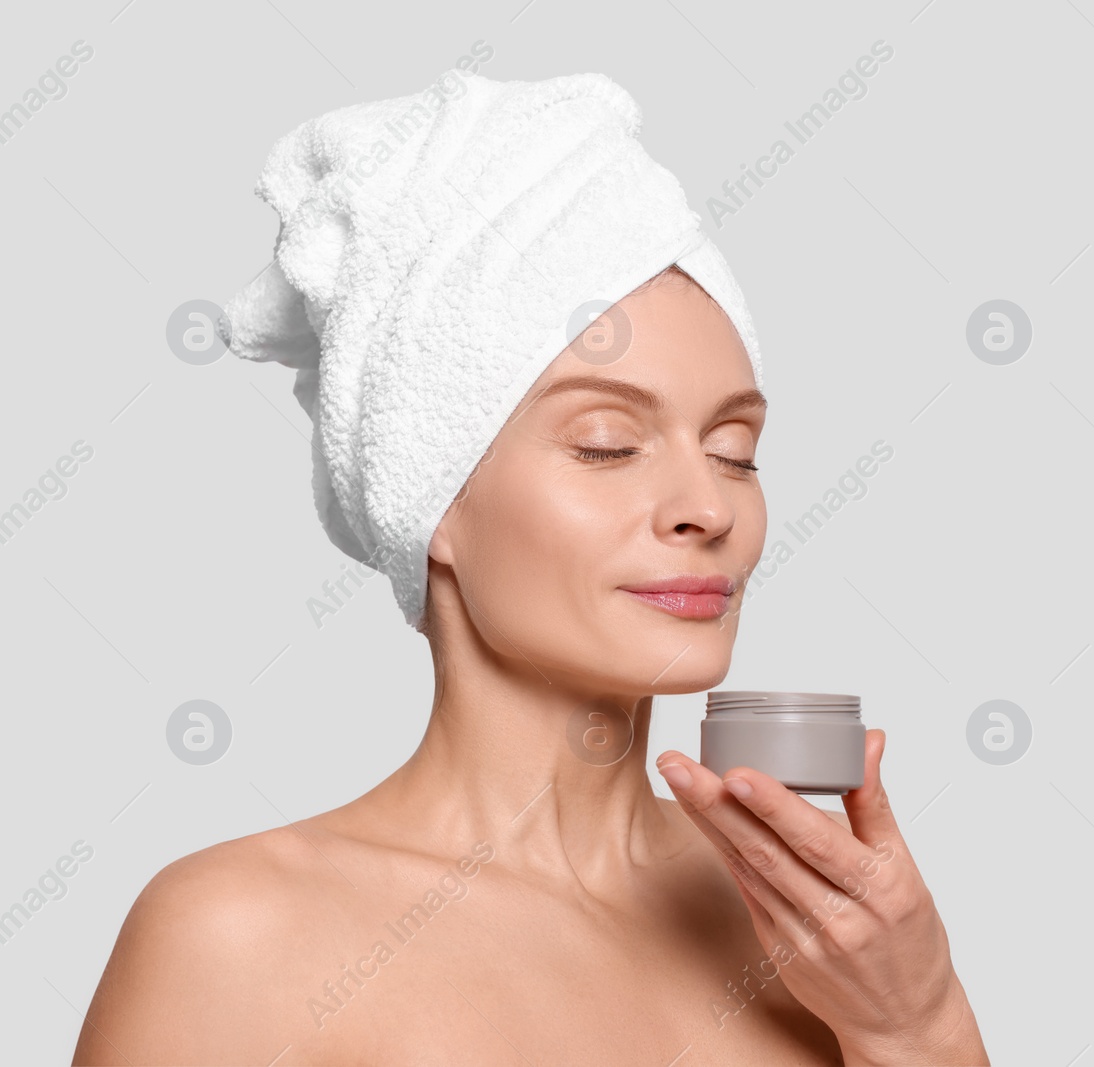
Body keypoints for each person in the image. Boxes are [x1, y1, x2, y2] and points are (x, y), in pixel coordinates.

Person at [73, 71, 988, 1066]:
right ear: (432, 504)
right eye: (604, 441)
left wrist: (915, 1021)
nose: (710, 506)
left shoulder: (819, 926)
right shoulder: (238, 935)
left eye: (734, 450)